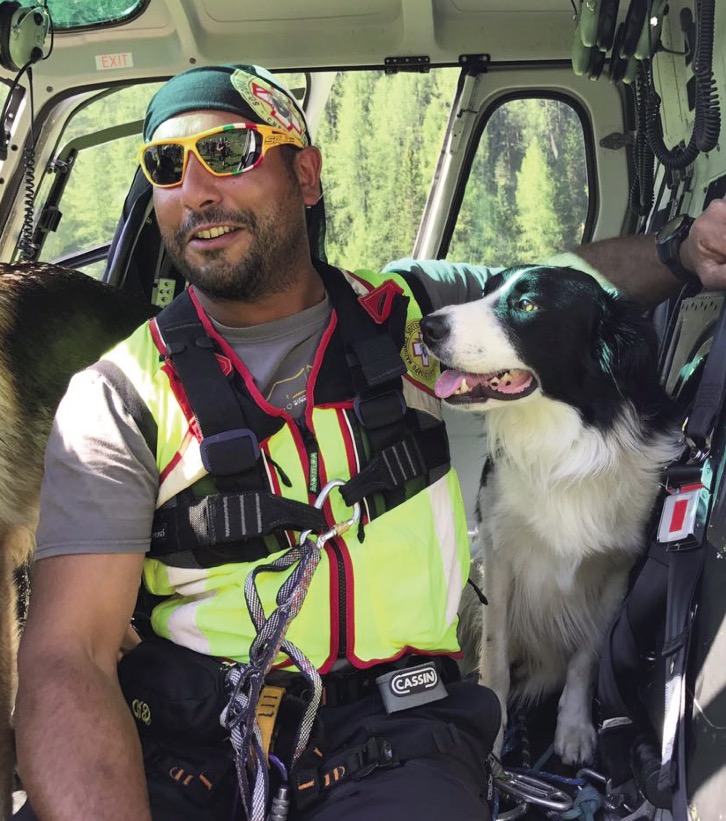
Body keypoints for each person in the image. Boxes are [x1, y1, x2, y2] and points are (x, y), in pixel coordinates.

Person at [12, 63, 726, 821]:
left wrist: (685, 253)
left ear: (306, 174)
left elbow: (554, 284)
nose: (195, 190)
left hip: (399, 735)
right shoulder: (117, 398)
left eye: (227, 153)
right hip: (189, 747)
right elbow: (68, 658)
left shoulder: (408, 317)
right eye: (166, 166)